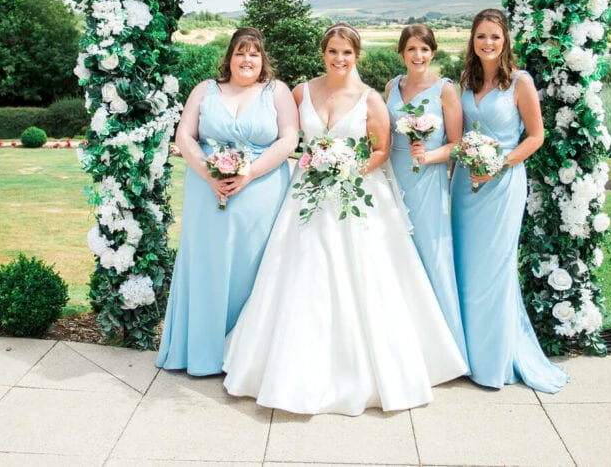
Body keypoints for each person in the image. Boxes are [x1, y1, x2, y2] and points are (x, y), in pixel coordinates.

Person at [223, 23, 468, 415]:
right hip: (306, 196)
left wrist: (346, 171)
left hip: (356, 195)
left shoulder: (371, 99)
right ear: (324, 52)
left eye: (347, 53)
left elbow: (381, 151)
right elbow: (275, 129)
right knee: (298, 273)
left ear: (358, 56)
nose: (340, 59)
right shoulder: (302, 91)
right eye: (333, 51)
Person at [157, 27, 299, 376]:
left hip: (262, 190)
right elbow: (184, 136)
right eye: (240, 53)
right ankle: (202, 353)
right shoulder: (205, 91)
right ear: (229, 58)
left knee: (252, 268)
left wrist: (249, 172)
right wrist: (209, 174)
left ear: (262, 59)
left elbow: (289, 140)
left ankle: (243, 355)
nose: (247, 60)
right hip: (207, 193)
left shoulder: (276, 91)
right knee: (207, 264)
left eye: (253, 54)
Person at [450, 9, 569, 393]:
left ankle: (493, 362)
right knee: (465, 269)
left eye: (495, 38)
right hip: (466, 188)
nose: (487, 43)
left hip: (503, 185)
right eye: (481, 36)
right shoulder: (465, 82)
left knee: (495, 270)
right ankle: (465, 356)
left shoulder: (520, 81)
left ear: (505, 42)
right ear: (472, 40)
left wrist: (498, 163)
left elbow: (536, 136)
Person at [384, 24, 467, 361]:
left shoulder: (446, 90)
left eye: (424, 49)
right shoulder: (391, 86)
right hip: (392, 179)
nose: (418, 56)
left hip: (428, 178)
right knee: (395, 255)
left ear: (433, 52)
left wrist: (429, 155)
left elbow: (458, 143)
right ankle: (401, 343)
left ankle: (443, 349)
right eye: (411, 49)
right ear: (402, 52)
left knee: (430, 253)